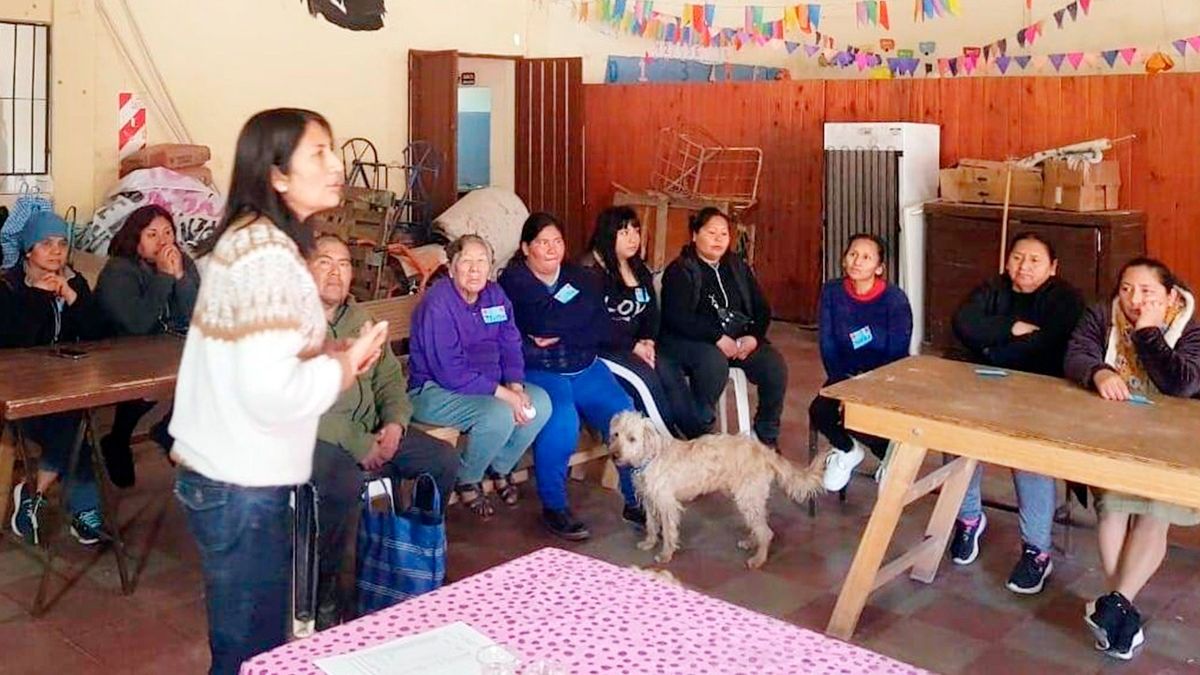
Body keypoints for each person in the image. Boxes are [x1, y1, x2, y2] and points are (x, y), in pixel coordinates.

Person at [169, 108, 388, 675]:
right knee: (250, 653)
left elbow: (257, 351)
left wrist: (330, 351)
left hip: (228, 475)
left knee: (245, 644)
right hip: (241, 484)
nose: (337, 165)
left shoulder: (252, 240)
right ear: (277, 175)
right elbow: (272, 392)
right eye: (319, 152)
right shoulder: (267, 256)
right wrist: (346, 366)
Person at [307, 233, 458, 629]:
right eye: (325, 262)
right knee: (341, 486)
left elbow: (390, 380)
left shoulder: (361, 320)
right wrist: (361, 444)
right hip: (317, 437)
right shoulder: (292, 326)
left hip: (372, 427)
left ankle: (410, 558)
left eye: (343, 264)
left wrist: (394, 424)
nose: (335, 272)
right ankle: (326, 591)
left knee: (442, 460)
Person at [1065, 257, 1200, 661]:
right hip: (1114, 432)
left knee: (1155, 511)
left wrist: (1148, 333)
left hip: (1172, 439)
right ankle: (1118, 608)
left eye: (1146, 292)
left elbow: (1182, 385)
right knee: (1113, 507)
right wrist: (1099, 372)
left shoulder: (1189, 327)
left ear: (1170, 296)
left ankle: (1115, 605)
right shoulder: (1101, 315)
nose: (1134, 299)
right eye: (1126, 289)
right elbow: (1075, 354)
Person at [948, 232, 1084, 595]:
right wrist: (1010, 328)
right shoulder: (993, 288)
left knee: (1029, 458)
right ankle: (968, 519)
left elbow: (1048, 344)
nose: (1024, 266)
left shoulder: (1065, 299)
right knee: (955, 437)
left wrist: (992, 350)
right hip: (985, 387)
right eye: (1018, 258)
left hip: (1041, 394)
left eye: (1035, 260)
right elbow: (964, 323)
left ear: (1053, 267)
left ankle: (1037, 550)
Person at [498, 212, 642, 541]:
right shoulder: (514, 281)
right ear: (526, 248)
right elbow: (541, 322)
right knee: (562, 422)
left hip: (586, 366)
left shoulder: (582, 276)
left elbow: (599, 325)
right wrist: (574, 319)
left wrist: (561, 325)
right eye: (542, 242)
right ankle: (555, 507)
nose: (552, 249)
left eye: (558, 241)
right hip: (542, 370)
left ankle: (636, 500)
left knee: (625, 415)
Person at [408, 234, 550, 518]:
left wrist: (515, 386)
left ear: (490, 267)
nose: (475, 269)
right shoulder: (439, 303)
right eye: (466, 262)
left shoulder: (495, 296)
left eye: (482, 261)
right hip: (434, 390)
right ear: (451, 268)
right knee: (498, 414)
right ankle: (467, 477)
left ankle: (499, 467)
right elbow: (450, 372)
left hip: (487, 387)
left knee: (540, 404)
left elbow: (510, 343)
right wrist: (505, 395)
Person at [2, 211, 107, 547]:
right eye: (46, 243)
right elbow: (12, 343)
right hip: (19, 390)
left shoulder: (75, 282)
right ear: (28, 250)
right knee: (73, 424)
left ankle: (34, 493)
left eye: (62, 243)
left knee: (73, 415)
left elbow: (99, 336)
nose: (56, 251)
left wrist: (73, 299)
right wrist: (37, 296)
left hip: (65, 384)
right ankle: (83, 508)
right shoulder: (9, 287)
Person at [659, 207, 787, 447]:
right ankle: (700, 426)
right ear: (695, 235)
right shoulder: (681, 270)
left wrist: (753, 337)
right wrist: (717, 337)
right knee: (713, 363)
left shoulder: (737, 267)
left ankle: (765, 434)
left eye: (724, 234)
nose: (718, 239)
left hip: (737, 341)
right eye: (711, 233)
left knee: (773, 365)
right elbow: (678, 317)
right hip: (694, 342)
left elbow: (761, 308)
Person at [95, 204, 200, 487]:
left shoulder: (181, 260)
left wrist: (180, 277)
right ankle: (117, 439)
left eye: (168, 233)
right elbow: (137, 324)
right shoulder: (119, 270)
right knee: (150, 381)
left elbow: (195, 316)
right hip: (116, 350)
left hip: (163, 346)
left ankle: (168, 427)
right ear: (136, 240)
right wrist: (164, 277)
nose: (163, 241)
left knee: (206, 369)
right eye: (152, 235)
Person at [581, 207, 705, 439]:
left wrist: (648, 340)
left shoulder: (639, 268)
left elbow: (651, 313)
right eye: (624, 232)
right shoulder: (590, 271)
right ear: (608, 234)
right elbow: (595, 325)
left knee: (669, 373)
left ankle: (698, 440)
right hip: (603, 350)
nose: (633, 238)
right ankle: (667, 443)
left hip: (638, 346)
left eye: (636, 231)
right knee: (645, 381)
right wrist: (633, 346)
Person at [809, 233, 912, 491]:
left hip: (884, 379)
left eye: (866, 257)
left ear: (879, 267)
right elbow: (828, 343)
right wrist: (843, 387)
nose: (857, 261)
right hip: (845, 374)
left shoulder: (894, 300)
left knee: (861, 417)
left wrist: (865, 390)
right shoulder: (832, 292)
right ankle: (848, 450)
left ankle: (890, 457)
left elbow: (897, 353)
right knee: (820, 411)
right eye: (853, 254)